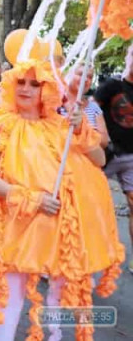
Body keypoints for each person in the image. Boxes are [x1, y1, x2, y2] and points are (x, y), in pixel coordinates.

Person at [0, 57, 124, 340]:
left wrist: (81, 130)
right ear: (11, 84)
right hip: (11, 232)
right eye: (21, 82)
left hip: (51, 235)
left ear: (46, 90)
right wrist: (32, 199)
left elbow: (98, 160)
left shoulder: (60, 125)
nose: (26, 89)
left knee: (58, 303)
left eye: (35, 84)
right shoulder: (0, 125)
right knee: (8, 300)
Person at [95, 59, 133, 273]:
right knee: (87, 203)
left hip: (131, 158)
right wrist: (99, 138)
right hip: (106, 156)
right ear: (128, 58)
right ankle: (77, 255)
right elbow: (92, 109)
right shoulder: (112, 85)